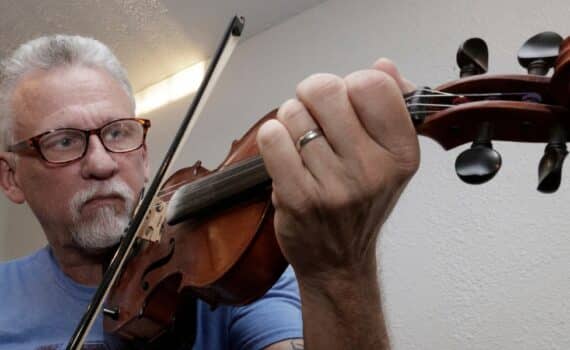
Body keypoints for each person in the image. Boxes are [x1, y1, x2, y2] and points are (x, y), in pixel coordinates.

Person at [0, 34, 419, 350]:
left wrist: (340, 270)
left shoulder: (231, 268)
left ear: (145, 155)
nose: (103, 162)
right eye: (64, 142)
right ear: (11, 178)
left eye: (118, 133)